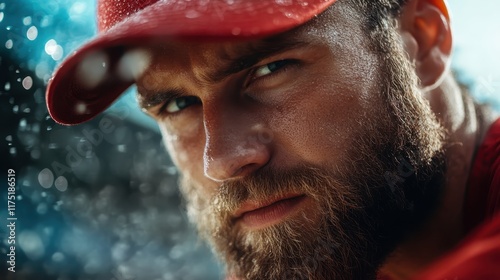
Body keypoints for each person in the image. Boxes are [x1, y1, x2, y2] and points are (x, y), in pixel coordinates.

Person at [46, 0, 500, 279]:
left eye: (270, 70)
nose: (221, 161)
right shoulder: (319, 245)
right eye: (177, 106)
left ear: (419, 40)